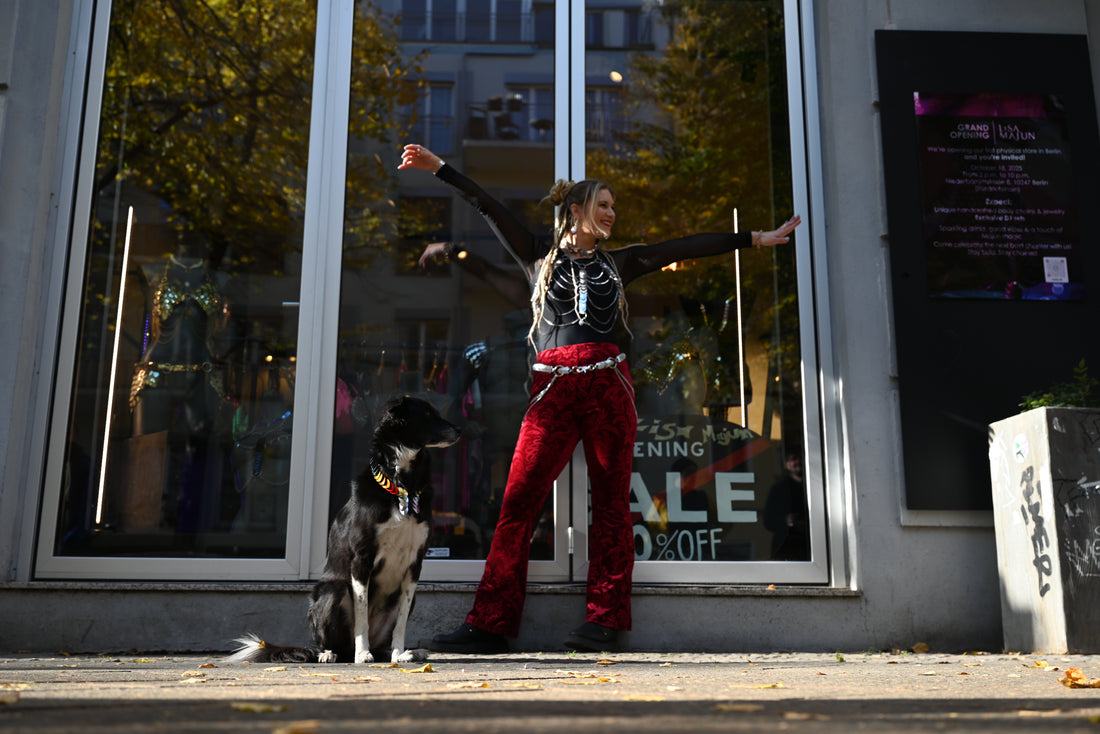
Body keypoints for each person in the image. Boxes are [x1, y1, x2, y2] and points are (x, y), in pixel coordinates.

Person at [398, 143, 801, 653]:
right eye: (603, 205)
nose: (612, 213)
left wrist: (754, 239)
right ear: (576, 210)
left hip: (609, 387)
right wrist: (439, 169)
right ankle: (490, 624)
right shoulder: (537, 256)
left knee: (612, 505)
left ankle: (604, 621)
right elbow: (487, 205)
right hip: (552, 389)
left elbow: (683, 246)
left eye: (614, 206)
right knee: (518, 501)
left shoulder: (621, 262)